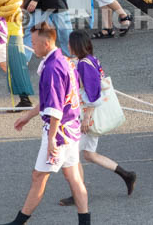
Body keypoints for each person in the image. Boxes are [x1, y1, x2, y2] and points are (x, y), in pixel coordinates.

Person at [0, 23, 89, 225]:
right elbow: (55, 99)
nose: (33, 46)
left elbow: (55, 108)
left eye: (35, 42)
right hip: (71, 129)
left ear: (46, 43)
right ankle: (85, 221)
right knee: (73, 177)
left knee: (39, 176)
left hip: (59, 132)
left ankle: (19, 222)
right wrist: (28, 115)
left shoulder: (52, 68)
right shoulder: (64, 61)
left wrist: (51, 140)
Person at [56, 31, 136, 208]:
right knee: (89, 155)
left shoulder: (84, 64)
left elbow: (93, 94)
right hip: (89, 114)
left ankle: (79, 193)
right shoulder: (90, 60)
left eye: (69, 43)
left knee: (72, 155)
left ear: (75, 45)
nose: (67, 46)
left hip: (86, 116)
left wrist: (87, 119)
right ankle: (126, 175)